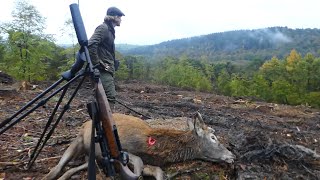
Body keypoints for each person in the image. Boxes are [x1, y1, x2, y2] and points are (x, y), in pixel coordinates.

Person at [88, 7, 125, 109]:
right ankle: (106, 124)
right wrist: (98, 63)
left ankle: (100, 123)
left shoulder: (109, 30)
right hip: (102, 70)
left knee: (103, 98)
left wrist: (113, 61)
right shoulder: (103, 28)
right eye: (120, 17)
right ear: (115, 17)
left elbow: (103, 49)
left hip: (106, 69)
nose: (121, 19)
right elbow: (91, 45)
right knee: (110, 97)